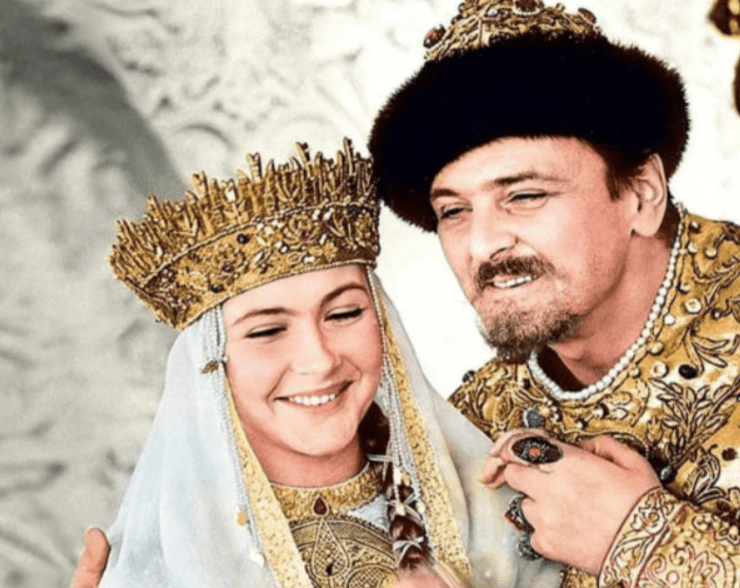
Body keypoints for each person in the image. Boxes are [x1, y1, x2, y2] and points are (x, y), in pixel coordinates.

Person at [368, 1, 740, 586]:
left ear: (642, 194)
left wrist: (642, 541)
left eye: (525, 196)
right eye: (453, 212)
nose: (482, 245)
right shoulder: (474, 427)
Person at [73, 139, 561, 588]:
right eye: (267, 331)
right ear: (210, 363)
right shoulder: (172, 559)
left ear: (384, 324)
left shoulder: (493, 503)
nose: (320, 359)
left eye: (344, 314)